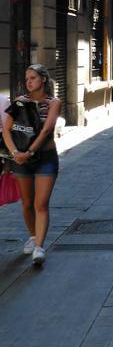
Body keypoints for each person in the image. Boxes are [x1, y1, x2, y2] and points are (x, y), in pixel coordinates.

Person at [2, 64, 61, 266]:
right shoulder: (19, 102)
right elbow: (6, 129)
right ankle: (33, 235)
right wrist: (15, 153)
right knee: (27, 203)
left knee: (41, 204)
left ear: (43, 79)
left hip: (45, 158)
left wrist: (30, 152)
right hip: (21, 160)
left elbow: (46, 131)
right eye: (27, 78)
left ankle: (39, 247)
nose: (28, 81)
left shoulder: (54, 103)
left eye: (33, 78)